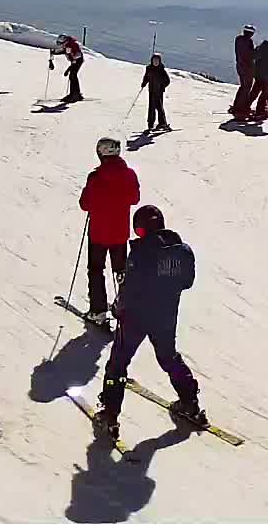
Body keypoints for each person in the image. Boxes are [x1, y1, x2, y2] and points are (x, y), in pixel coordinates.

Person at [94, 204, 204, 437]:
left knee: (118, 363)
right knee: (168, 357)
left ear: (141, 230)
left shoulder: (141, 253)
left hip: (135, 317)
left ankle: (110, 414)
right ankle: (190, 401)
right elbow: (187, 281)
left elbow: (129, 289)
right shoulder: (182, 252)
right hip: (165, 315)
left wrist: (117, 309)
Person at [78, 136, 139, 317]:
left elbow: (85, 204)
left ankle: (98, 311)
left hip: (98, 233)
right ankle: (125, 305)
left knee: (96, 270)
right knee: (121, 270)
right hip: (119, 233)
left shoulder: (95, 177)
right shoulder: (129, 174)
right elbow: (135, 198)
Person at [229, 25, 257, 118]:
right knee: (246, 87)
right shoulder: (248, 41)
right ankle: (241, 109)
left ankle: (237, 106)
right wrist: (257, 52)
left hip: (240, 66)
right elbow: (250, 55)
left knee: (243, 86)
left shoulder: (238, 39)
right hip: (247, 67)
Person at [141, 53, 171, 132]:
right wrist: (144, 83)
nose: (156, 62)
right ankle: (150, 124)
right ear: (152, 60)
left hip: (159, 92)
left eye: (157, 60)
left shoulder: (161, 70)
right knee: (151, 108)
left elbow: (167, 81)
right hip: (151, 91)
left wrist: (162, 86)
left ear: (160, 61)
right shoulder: (149, 68)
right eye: (154, 60)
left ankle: (162, 123)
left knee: (160, 108)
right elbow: (146, 77)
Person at [53, 34, 85, 102]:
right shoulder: (68, 44)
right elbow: (65, 51)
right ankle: (75, 94)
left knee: (73, 76)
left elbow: (78, 54)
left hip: (78, 61)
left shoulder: (73, 44)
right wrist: (55, 52)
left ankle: (74, 95)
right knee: (72, 76)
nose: (60, 44)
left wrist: (74, 59)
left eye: (61, 43)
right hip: (74, 61)